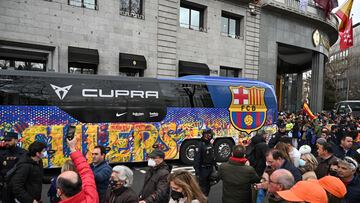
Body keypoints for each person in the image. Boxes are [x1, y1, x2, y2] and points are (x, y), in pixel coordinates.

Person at [56, 136, 99, 203]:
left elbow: (86, 172)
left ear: (59, 192)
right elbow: (86, 172)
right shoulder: (91, 198)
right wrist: (73, 148)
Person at [0, 132, 27, 202]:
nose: (6, 142)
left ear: (16, 140)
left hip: (19, 187)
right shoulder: (2, 153)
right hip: (5, 187)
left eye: (9, 140)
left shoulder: (23, 153)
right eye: (5, 140)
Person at [193, 129, 216, 196]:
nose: (210, 136)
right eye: (209, 134)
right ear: (205, 135)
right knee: (203, 189)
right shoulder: (200, 145)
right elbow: (197, 159)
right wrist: (197, 172)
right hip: (203, 170)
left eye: (210, 134)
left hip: (210, 168)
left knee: (209, 187)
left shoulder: (210, 144)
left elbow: (212, 156)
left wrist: (215, 166)